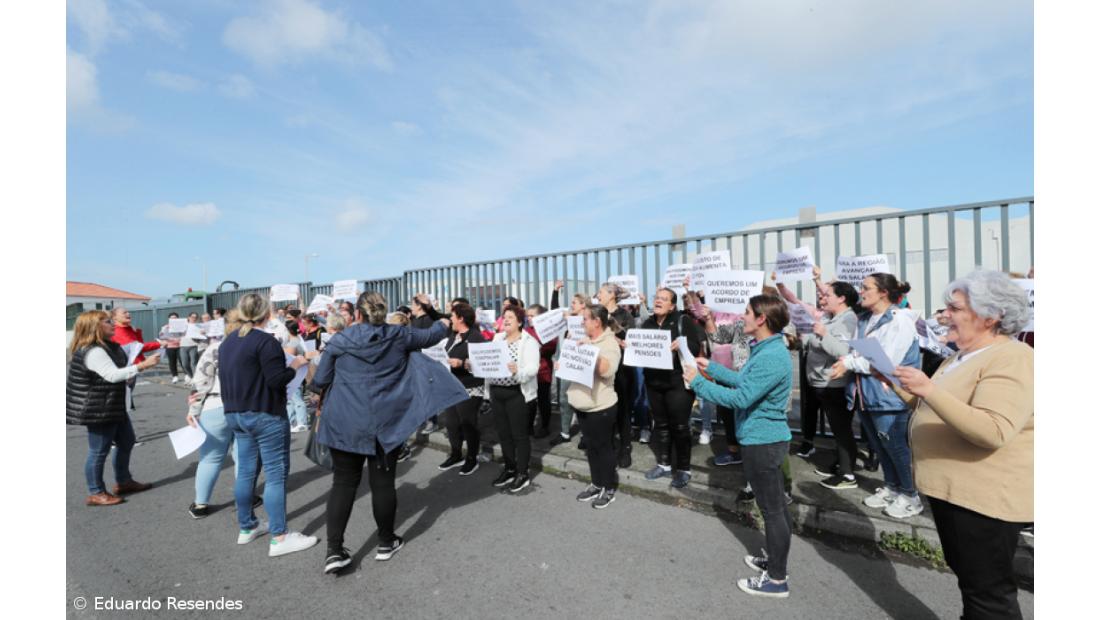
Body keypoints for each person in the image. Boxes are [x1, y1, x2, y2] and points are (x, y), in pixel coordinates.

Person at [890, 270, 1033, 619]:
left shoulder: (1012, 358)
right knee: (973, 582)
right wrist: (897, 385)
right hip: (957, 495)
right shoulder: (962, 356)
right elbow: (941, 410)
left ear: (991, 316)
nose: (944, 315)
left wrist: (929, 389)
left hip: (985, 500)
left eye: (954, 307)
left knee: (988, 595)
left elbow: (993, 429)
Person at [311, 291, 465, 574]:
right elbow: (436, 332)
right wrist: (437, 316)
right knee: (383, 483)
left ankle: (334, 550)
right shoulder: (399, 335)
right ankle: (385, 541)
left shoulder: (339, 341)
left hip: (345, 423)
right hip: (387, 423)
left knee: (344, 484)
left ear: (357, 314)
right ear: (382, 312)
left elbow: (319, 381)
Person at [684, 295, 793, 598]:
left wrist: (698, 384)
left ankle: (776, 579)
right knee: (775, 508)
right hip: (761, 439)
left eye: (746, 313)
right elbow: (744, 381)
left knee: (772, 511)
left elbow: (740, 399)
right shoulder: (766, 348)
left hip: (764, 441)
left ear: (761, 319)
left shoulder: (771, 356)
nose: (740, 318)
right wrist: (712, 369)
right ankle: (775, 561)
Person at [218, 293, 316, 557]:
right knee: (275, 474)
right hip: (264, 413)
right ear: (267, 313)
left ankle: (247, 525)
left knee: (246, 471)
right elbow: (276, 379)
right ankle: (280, 536)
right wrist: (295, 364)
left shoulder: (228, 342)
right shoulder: (265, 341)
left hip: (236, 413)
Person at [831, 273, 922, 518]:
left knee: (897, 448)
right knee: (883, 448)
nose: (861, 291)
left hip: (889, 396)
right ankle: (892, 488)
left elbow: (888, 361)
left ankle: (911, 495)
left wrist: (849, 362)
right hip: (866, 394)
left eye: (866, 287)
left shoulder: (899, 321)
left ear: (883, 292)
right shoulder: (865, 319)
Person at [67, 311, 160, 506]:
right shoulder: (93, 350)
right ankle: (96, 492)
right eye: (108, 322)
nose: (113, 325)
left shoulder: (108, 346)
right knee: (99, 451)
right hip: (99, 408)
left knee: (127, 441)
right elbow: (111, 375)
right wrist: (142, 366)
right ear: (95, 327)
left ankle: (124, 481)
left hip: (112, 405)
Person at [184, 310, 260, 519]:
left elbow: (201, 381)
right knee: (243, 456)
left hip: (215, 404)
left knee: (210, 457)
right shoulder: (256, 347)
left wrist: (194, 410)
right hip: (247, 405)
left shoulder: (215, 348)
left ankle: (200, 504)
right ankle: (245, 497)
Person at [794, 281, 861, 489]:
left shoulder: (848, 320)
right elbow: (813, 342)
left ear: (842, 298)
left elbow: (843, 352)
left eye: (829, 294)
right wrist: (803, 337)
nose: (824, 298)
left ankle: (848, 475)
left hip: (834, 382)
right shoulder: (831, 318)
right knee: (837, 427)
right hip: (821, 380)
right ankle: (841, 464)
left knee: (841, 428)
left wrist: (824, 334)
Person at [639, 287, 704, 489]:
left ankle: (684, 469)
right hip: (654, 382)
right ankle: (664, 464)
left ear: (672, 305)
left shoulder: (682, 321)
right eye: (656, 297)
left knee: (680, 425)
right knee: (661, 424)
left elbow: (694, 347)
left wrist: (681, 344)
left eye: (663, 299)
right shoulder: (647, 323)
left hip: (677, 382)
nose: (658, 301)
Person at [564, 304, 623, 509]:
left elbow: (607, 370)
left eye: (585, 319)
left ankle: (609, 487)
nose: (582, 322)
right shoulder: (586, 340)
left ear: (596, 322)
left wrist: (589, 351)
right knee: (591, 447)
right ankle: (596, 483)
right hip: (582, 404)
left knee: (603, 448)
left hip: (601, 406)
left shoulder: (609, 343)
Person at [483, 305, 540, 492]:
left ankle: (523, 473)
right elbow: (489, 363)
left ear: (519, 322)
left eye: (510, 317)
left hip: (517, 394)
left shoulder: (528, 341)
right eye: (504, 317)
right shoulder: (497, 338)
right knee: (504, 435)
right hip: (497, 393)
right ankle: (509, 468)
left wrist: (518, 371)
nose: (506, 320)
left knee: (519, 436)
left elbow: (533, 369)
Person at [437, 301, 487, 475]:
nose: (450, 318)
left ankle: (472, 458)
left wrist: (463, 363)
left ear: (461, 318)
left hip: (470, 387)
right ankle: (456, 454)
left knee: (468, 423)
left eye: (452, 315)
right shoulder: (452, 336)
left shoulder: (475, 337)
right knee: (451, 423)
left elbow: (483, 363)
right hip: (452, 386)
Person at [598, 282, 637, 468]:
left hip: (621, 369)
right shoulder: (597, 313)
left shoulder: (624, 315)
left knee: (622, 409)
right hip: (601, 369)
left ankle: (625, 447)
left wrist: (616, 336)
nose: (598, 296)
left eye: (601, 292)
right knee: (605, 408)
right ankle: (608, 445)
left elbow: (631, 338)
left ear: (612, 295)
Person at [549, 281, 589, 446]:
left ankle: (585, 435)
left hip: (581, 364)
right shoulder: (566, 319)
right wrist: (555, 291)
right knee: (564, 399)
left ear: (583, 305)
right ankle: (565, 432)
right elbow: (553, 311)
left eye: (574, 302)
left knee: (582, 400)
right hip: (565, 364)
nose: (571, 305)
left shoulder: (589, 320)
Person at [524, 304, 557, 439]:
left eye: (532, 315)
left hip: (543, 371)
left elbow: (551, 347)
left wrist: (536, 346)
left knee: (543, 400)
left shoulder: (547, 331)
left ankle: (545, 426)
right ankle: (529, 426)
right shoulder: (526, 330)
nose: (529, 318)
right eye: (528, 315)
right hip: (529, 372)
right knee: (530, 400)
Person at [283, 320, 311, 433]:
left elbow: (289, 356)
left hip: (295, 374)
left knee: (296, 398)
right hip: (296, 373)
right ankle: (293, 421)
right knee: (291, 399)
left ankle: (301, 422)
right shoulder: (298, 339)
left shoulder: (293, 342)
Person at [179, 312, 205, 383]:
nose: (194, 319)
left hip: (193, 345)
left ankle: (195, 379)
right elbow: (175, 333)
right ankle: (190, 376)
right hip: (183, 346)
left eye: (195, 317)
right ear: (188, 317)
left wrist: (202, 333)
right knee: (184, 364)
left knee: (193, 363)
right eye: (192, 317)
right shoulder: (183, 325)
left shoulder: (198, 326)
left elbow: (201, 338)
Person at [158, 312, 183, 383]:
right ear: (169, 319)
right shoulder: (165, 327)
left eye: (175, 318)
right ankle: (175, 376)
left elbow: (185, 334)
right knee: (172, 362)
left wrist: (180, 338)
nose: (173, 320)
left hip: (180, 346)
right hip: (170, 346)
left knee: (183, 361)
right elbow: (161, 336)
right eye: (172, 318)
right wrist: (169, 339)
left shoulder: (181, 326)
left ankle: (187, 375)